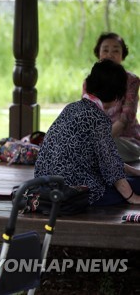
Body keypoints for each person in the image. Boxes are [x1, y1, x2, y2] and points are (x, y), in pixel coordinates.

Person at [36, 59, 140, 206]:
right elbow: (110, 167)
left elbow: (108, 158)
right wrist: (132, 197)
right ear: (117, 94)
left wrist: (134, 171)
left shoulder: (71, 108)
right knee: (136, 184)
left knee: (133, 179)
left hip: (46, 187)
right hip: (75, 192)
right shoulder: (98, 119)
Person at [82, 32, 140, 162]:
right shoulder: (89, 82)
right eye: (105, 50)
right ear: (98, 53)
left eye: (115, 50)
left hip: (126, 141)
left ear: (122, 55)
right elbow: (86, 117)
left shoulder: (132, 81)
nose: (110, 54)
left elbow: (125, 120)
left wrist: (100, 142)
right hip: (98, 140)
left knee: (104, 149)